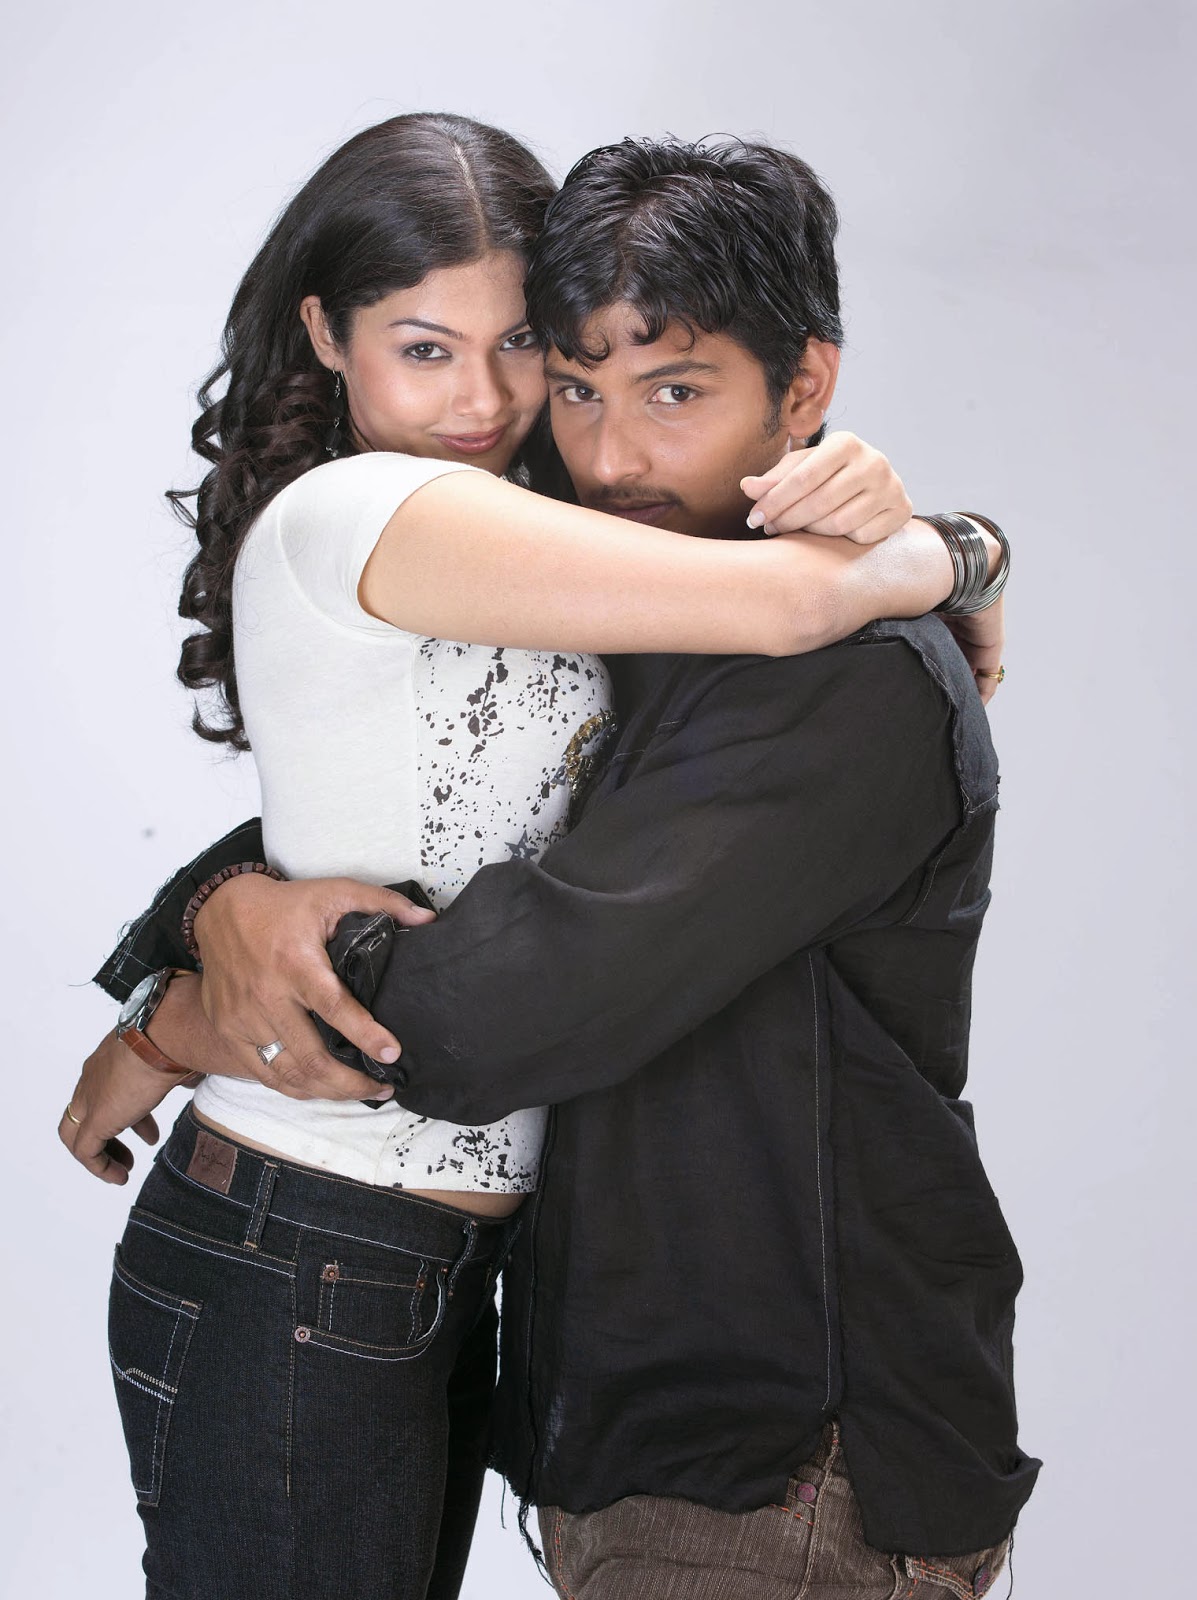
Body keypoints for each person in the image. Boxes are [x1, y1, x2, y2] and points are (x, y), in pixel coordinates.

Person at [60, 118, 1002, 1600]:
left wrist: (945, 550)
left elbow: (500, 892)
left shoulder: (655, 577)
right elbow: (748, 634)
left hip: (562, 1322)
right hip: (313, 1230)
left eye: (522, 353)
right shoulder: (383, 509)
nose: (492, 404)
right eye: (427, 350)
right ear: (328, 335)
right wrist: (953, 557)